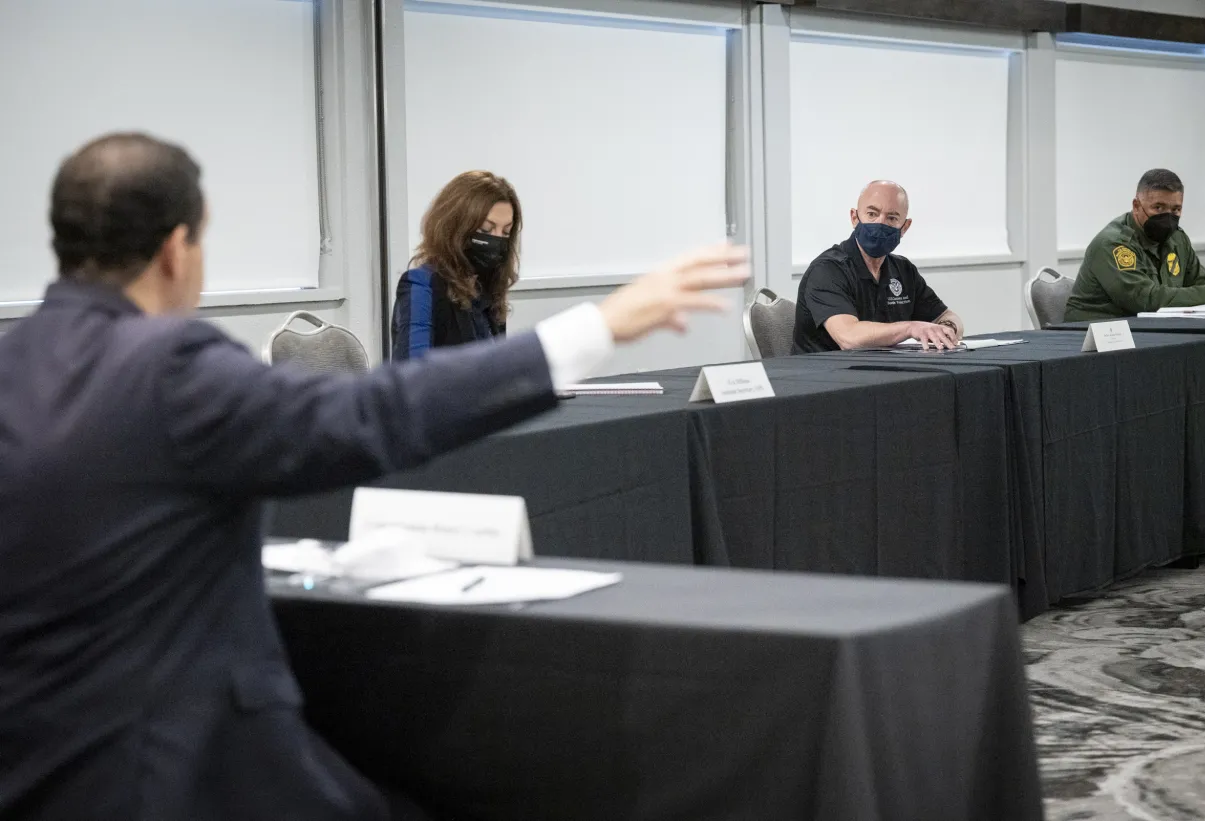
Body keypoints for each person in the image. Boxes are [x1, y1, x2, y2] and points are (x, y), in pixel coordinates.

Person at [0, 133, 748, 821]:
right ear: (176, 250)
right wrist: (600, 326)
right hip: (175, 767)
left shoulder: (15, 364)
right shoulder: (170, 369)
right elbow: (375, 412)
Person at [792, 180, 964, 353]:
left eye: (892, 218)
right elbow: (849, 337)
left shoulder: (903, 270)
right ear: (854, 217)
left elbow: (947, 316)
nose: (880, 223)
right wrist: (910, 328)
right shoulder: (827, 270)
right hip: (827, 375)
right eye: (872, 214)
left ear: (904, 227)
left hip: (886, 372)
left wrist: (945, 329)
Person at [1064, 168, 1205, 321]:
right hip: (1095, 338)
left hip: (1146, 334)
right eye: (1158, 208)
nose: (1168, 217)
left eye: (1176, 209)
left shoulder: (1177, 239)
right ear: (1136, 206)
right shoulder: (1113, 244)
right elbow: (1146, 300)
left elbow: (1201, 283)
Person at [391, 171, 519, 359]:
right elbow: (413, 374)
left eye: (506, 232)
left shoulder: (488, 291)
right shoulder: (420, 285)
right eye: (486, 229)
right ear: (456, 227)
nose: (497, 240)